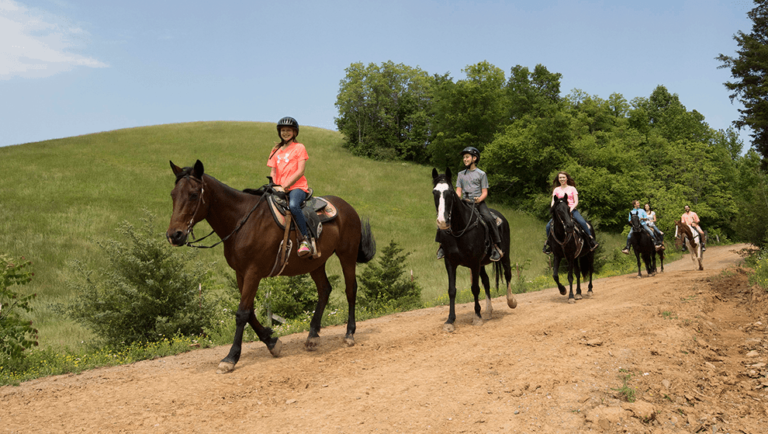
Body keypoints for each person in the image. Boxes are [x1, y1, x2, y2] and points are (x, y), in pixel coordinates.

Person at [436, 147, 503, 262]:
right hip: (465, 202)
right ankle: (442, 246)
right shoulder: (461, 174)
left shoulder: (481, 174)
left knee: (488, 218)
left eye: (467, 157)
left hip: (478, 203)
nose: (465, 159)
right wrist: (456, 199)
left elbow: (485, 192)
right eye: (464, 157)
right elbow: (458, 190)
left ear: (474, 158)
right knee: (445, 218)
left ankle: (494, 247)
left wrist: (479, 199)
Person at [267, 116, 313, 257]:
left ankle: (305, 240)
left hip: (297, 187)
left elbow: (300, 171)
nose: (285, 133)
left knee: (293, 206)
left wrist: (285, 185)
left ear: (295, 132)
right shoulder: (275, 150)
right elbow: (273, 171)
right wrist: (275, 185)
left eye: (288, 130)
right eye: (283, 130)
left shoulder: (299, 147)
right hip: (278, 187)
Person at [543, 172, 598, 254]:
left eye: (563, 177)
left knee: (582, 222)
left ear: (567, 178)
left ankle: (591, 240)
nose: (562, 179)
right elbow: (553, 202)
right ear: (558, 179)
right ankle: (549, 244)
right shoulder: (556, 190)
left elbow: (576, 202)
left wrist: (570, 209)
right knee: (548, 226)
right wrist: (554, 209)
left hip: (572, 210)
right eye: (560, 177)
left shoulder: (572, 189)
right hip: (561, 213)